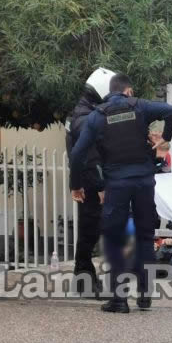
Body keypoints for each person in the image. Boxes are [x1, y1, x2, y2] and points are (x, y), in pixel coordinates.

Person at [70, 73, 172, 313]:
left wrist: (76, 185)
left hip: (117, 184)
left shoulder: (98, 116)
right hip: (144, 182)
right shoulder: (140, 106)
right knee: (144, 236)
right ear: (126, 91)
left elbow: (77, 154)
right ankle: (145, 295)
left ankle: (119, 300)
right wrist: (164, 141)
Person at [66, 67, 115, 293]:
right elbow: (92, 156)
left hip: (87, 181)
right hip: (92, 184)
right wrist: (101, 185)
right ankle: (85, 281)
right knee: (90, 232)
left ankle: (83, 280)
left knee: (89, 232)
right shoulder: (86, 118)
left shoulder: (81, 112)